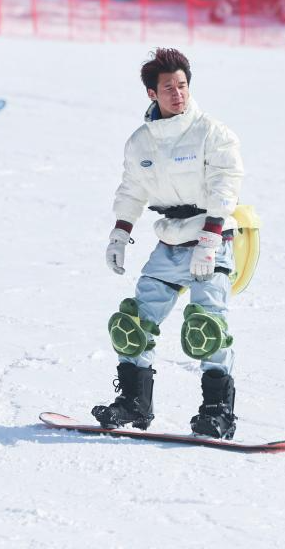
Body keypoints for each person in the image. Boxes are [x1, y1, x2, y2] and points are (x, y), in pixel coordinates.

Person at [93, 48, 244, 440]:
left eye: (182, 86)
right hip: (170, 240)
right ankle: (134, 403)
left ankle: (217, 413)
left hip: (212, 239)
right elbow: (132, 190)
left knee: (206, 326)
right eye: (168, 88)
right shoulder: (140, 143)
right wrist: (120, 233)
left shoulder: (212, 132)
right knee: (133, 325)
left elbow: (226, 186)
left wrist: (211, 236)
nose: (178, 94)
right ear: (151, 94)